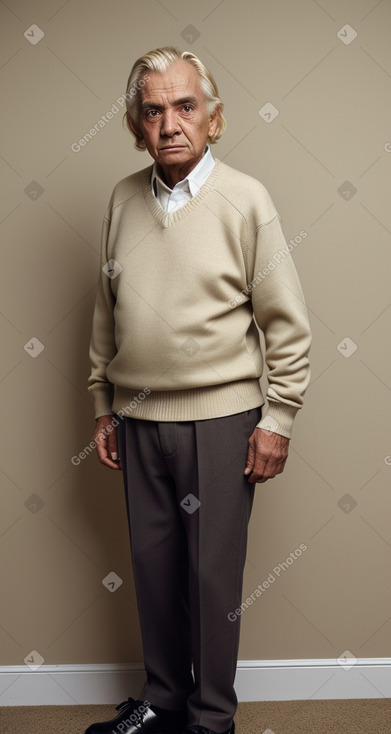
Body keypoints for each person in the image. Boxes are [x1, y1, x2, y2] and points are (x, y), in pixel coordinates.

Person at [85, 46, 311, 734]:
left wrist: (278, 419)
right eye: (151, 109)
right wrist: (103, 403)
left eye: (185, 106)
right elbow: (105, 309)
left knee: (210, 578)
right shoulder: (123, 197)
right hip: (136, 417)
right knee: (152, 570)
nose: (168, 122)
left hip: (220, 421)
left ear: (213, 120)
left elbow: (287, 323)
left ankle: (210, 719)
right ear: (134, 125)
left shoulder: (245, 200)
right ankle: (161, 699)